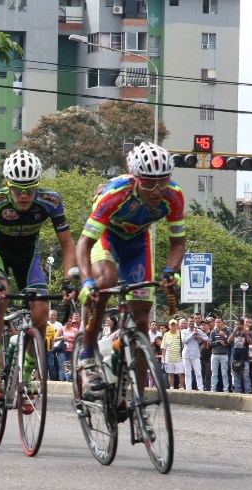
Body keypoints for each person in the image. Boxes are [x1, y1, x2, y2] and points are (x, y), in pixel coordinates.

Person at [75, 142, 184, 395]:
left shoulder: (173, 195)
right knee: (105, 281)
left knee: (142, 319)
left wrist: (171, 271)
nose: (157, 191)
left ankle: (138, 394)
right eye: (148, 183)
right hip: (106, 237)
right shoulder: (116, 193)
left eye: (163, 182)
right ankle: (87, 355)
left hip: (137, 242)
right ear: (135, 179)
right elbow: (84, 243)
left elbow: (178, 243)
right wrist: (86, 282)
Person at [0, 150, 77, 401]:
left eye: (29, 189)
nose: (23, 195)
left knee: (41, 311)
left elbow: (67, 244)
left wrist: (68, 280)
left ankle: (29, 373)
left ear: (37, 186)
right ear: (7, 185)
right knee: (1, 297)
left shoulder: (51, 201)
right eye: (18, 189)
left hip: (28, 256)